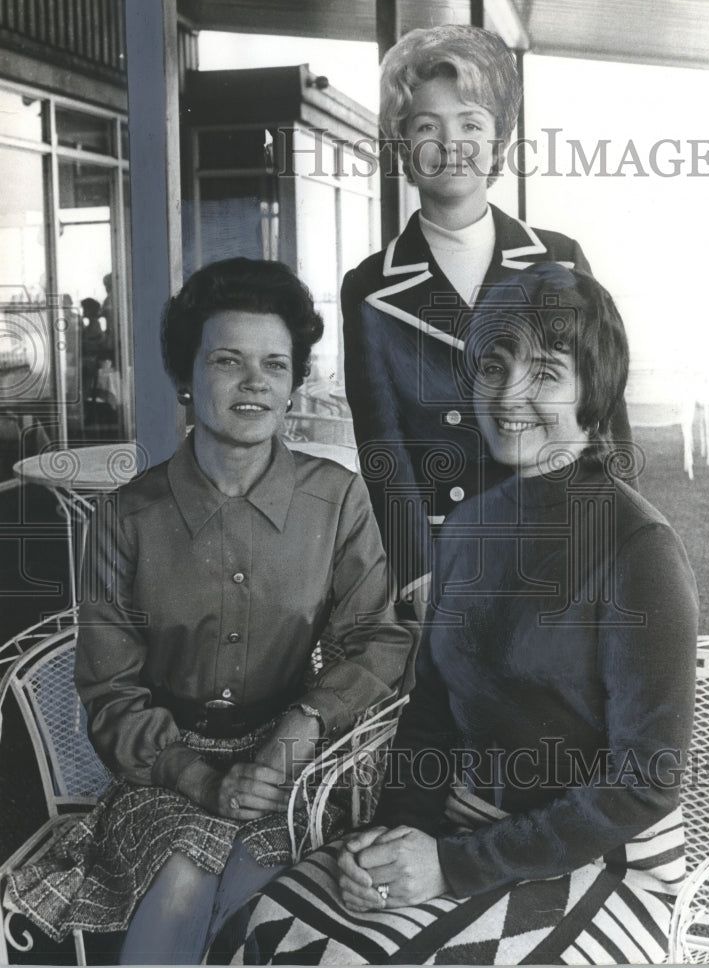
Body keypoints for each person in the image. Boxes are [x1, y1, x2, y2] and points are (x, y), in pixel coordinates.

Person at [236, 263, 698, 965]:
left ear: (592, 390)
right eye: (493, 364)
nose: (510, 395)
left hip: (603, 861)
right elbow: (432, 711)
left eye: (545, 371)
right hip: (465, 830)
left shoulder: (638, 548)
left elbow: (644, 781)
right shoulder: (468, 530)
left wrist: (450, 869)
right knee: (274, 917)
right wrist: (389, 843)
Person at [3, 258, 415, 964]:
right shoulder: (126, 518)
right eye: (228, 360)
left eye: (275, 365)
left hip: (290, 768)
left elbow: (376, 640)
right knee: (185, 876)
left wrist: (293, 737)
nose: (254, 381)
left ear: (292, 384)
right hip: (162, 772)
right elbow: (110, 694)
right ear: (187, 379)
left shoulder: (338, 499)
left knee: (263, 887)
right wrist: (200, 778)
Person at [342, 24, 634, 617]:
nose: (451, 143)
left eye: (471, 123)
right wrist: (418, 575)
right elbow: (383, 446)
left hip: (560, 536)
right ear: (402, 145)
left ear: (498, 141)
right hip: (447, 556)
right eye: (427, 126)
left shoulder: (559, 258)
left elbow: (604, 413)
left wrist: (615, 536)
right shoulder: (369, 287)